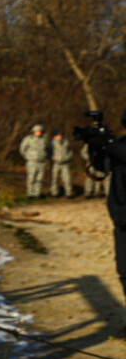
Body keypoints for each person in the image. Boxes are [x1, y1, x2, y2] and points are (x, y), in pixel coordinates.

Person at [78, 113, 126, 297]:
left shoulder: (118, 147)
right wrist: (94, 144)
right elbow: (100, 167)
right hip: (122, 215)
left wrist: (108, 144)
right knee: (123, 270)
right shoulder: (118, 145)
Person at [82, 110, 109, 197]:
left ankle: (104, 193)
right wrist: (89, 158)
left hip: (101, 160)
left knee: (104, 177)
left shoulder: (104, 138)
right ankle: (88, 193)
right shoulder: (89, 142)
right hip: (91, 161)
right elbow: (83, 151)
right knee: (90, 177)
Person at [18, 124, 48, 198]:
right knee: (31, 178)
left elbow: (48, 149)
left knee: (40, 179)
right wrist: (27, 157)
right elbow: (22, 149)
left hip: (41, 162)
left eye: (40, 131)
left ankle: (37, 194)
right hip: (32, 162)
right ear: (33, 131)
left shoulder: (44, 140)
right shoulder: (28, 139)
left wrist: (46, 156)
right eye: (37, 131)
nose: (38, 132)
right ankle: (30, 194)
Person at [50, 131, 74, 198]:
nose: (60, 136)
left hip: (65, 164)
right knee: (55, 179)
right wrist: (51, 157)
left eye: (60, 135)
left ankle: (69, 193)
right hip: (56, 164)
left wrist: (68, 157)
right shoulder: (51, 143)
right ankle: (54, 193)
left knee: (67, 179)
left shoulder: (66, 142)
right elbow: (47, 151)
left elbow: (70, 151)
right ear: (55, 136)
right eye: (58, 135)